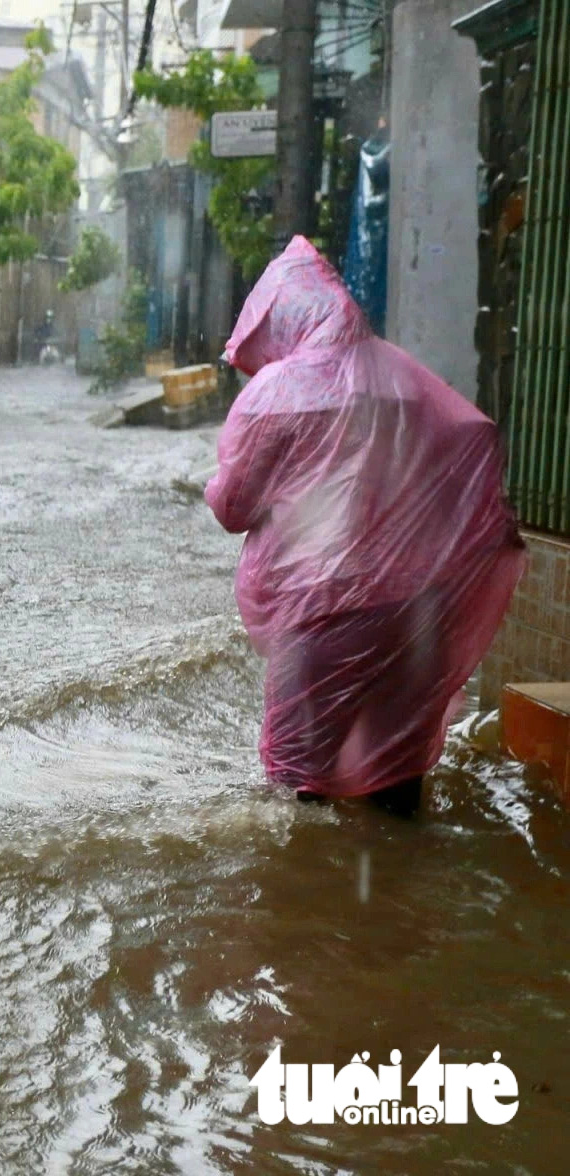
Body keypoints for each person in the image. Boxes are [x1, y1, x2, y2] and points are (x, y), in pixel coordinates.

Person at [205, 236, 525, 814]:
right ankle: (398, 889)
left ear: (283, 319)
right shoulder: (402, 379)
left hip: (321, 614)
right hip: (416, 612)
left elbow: (232, 508)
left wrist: (218, 480)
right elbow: (468, 439)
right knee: (395, 769)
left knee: (301, 786)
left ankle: (316, 894)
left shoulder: (277, 393)